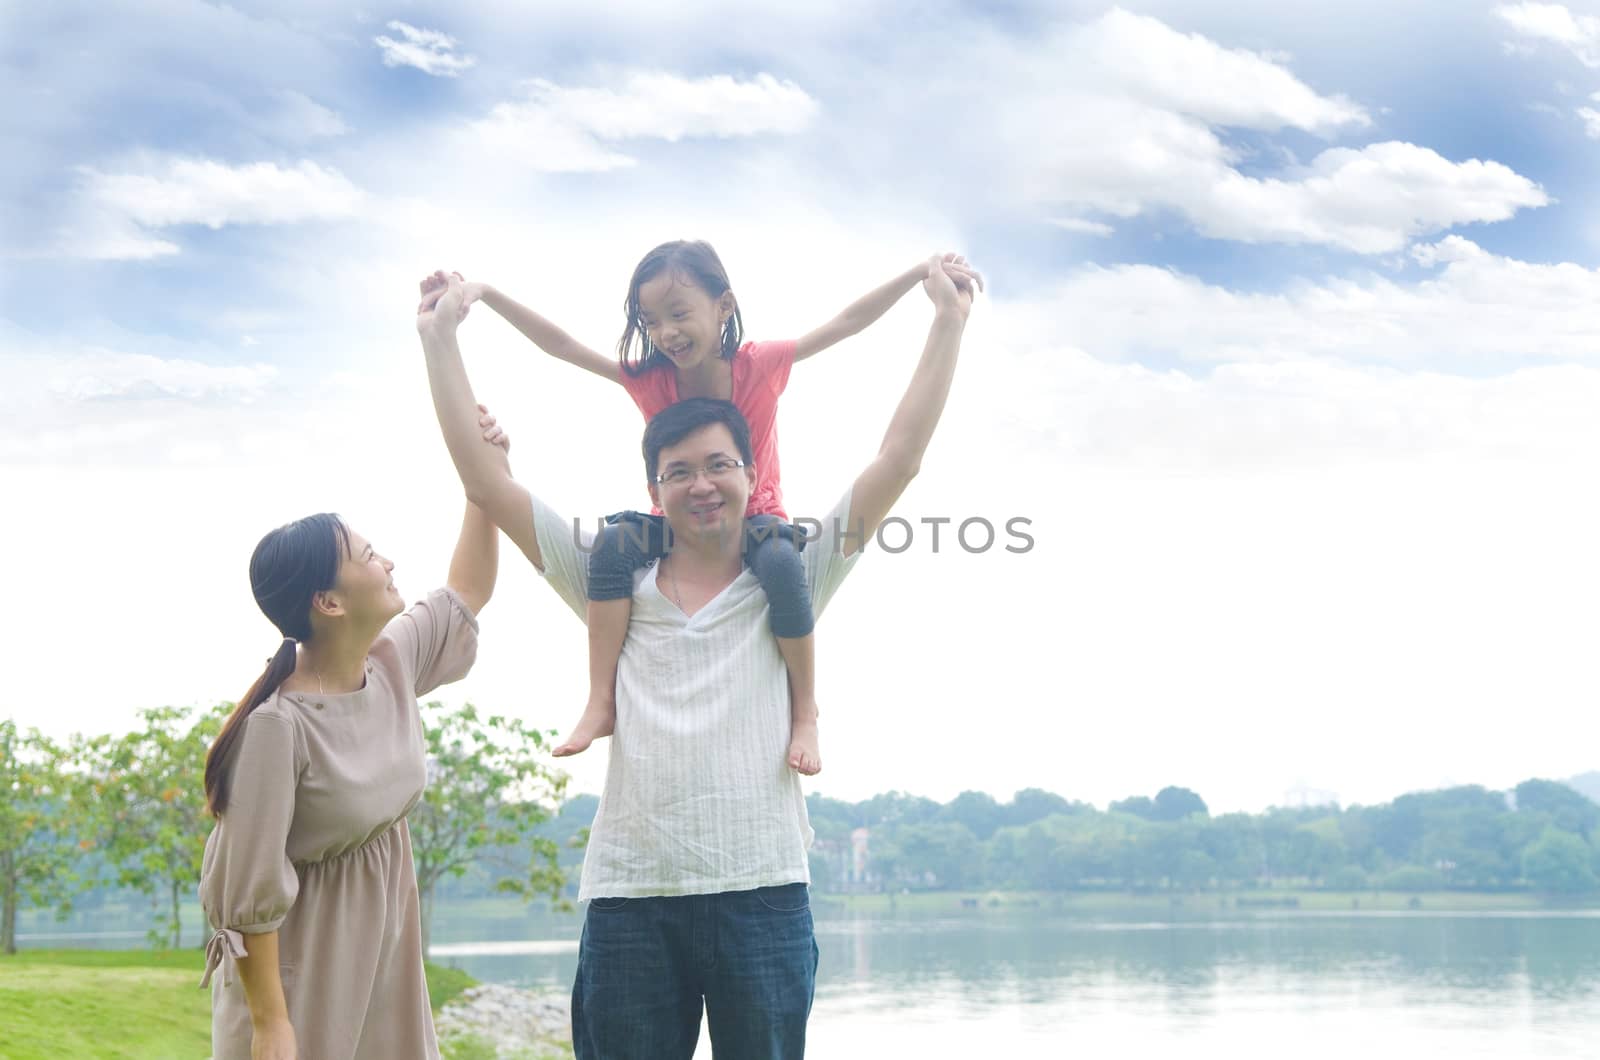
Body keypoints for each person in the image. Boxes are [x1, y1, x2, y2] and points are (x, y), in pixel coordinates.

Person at [415, 255, 976, 1058]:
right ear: (653, 488)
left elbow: (899, 458)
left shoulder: (793, 573)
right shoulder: (613, 581)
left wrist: (946, 323)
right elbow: (485, 481)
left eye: (720, 466)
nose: (702, 485)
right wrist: (441, 341)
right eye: (679, 472)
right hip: (632, 900)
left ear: (753, 476)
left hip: (764, 895)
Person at [442, 244, 980, 775]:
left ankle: (805, 709)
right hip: (672, 526)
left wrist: (916, 277)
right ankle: (600, 700)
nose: (666, 332)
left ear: (723, 306)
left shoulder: (759, 366)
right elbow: (561, 345)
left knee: (782, 565)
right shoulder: (651, 379)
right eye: (651, 321)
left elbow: (847, 322)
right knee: (610, 546)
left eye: (679, 314)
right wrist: (487, 295)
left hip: (760, 519)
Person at [197, 409, 508, 1060]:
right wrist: (271, 1025)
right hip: (304, 969)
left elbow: (468, 589)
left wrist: (488, 478)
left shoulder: (390, 660)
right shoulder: (276, 731)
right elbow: (247, 895)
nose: (389, 561)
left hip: (386, 948)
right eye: (369, 556)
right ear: (329, 603)